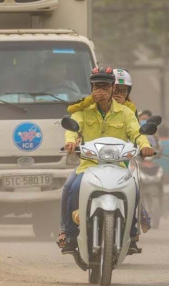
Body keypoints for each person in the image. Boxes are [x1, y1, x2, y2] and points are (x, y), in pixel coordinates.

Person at [61, 67, 154, 254]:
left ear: (113, 88)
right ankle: (70, 235)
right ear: (91, 88)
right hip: (89, 166)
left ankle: (131, 232)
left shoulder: (126, 112)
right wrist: (70, 142)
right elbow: (72, 128)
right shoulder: (83, 110)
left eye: (104, 86)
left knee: (134, 190)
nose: (100, 91)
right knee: (73, 188)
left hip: (118, 166)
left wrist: (145, 145)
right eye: (96, 86)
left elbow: (137, 132)